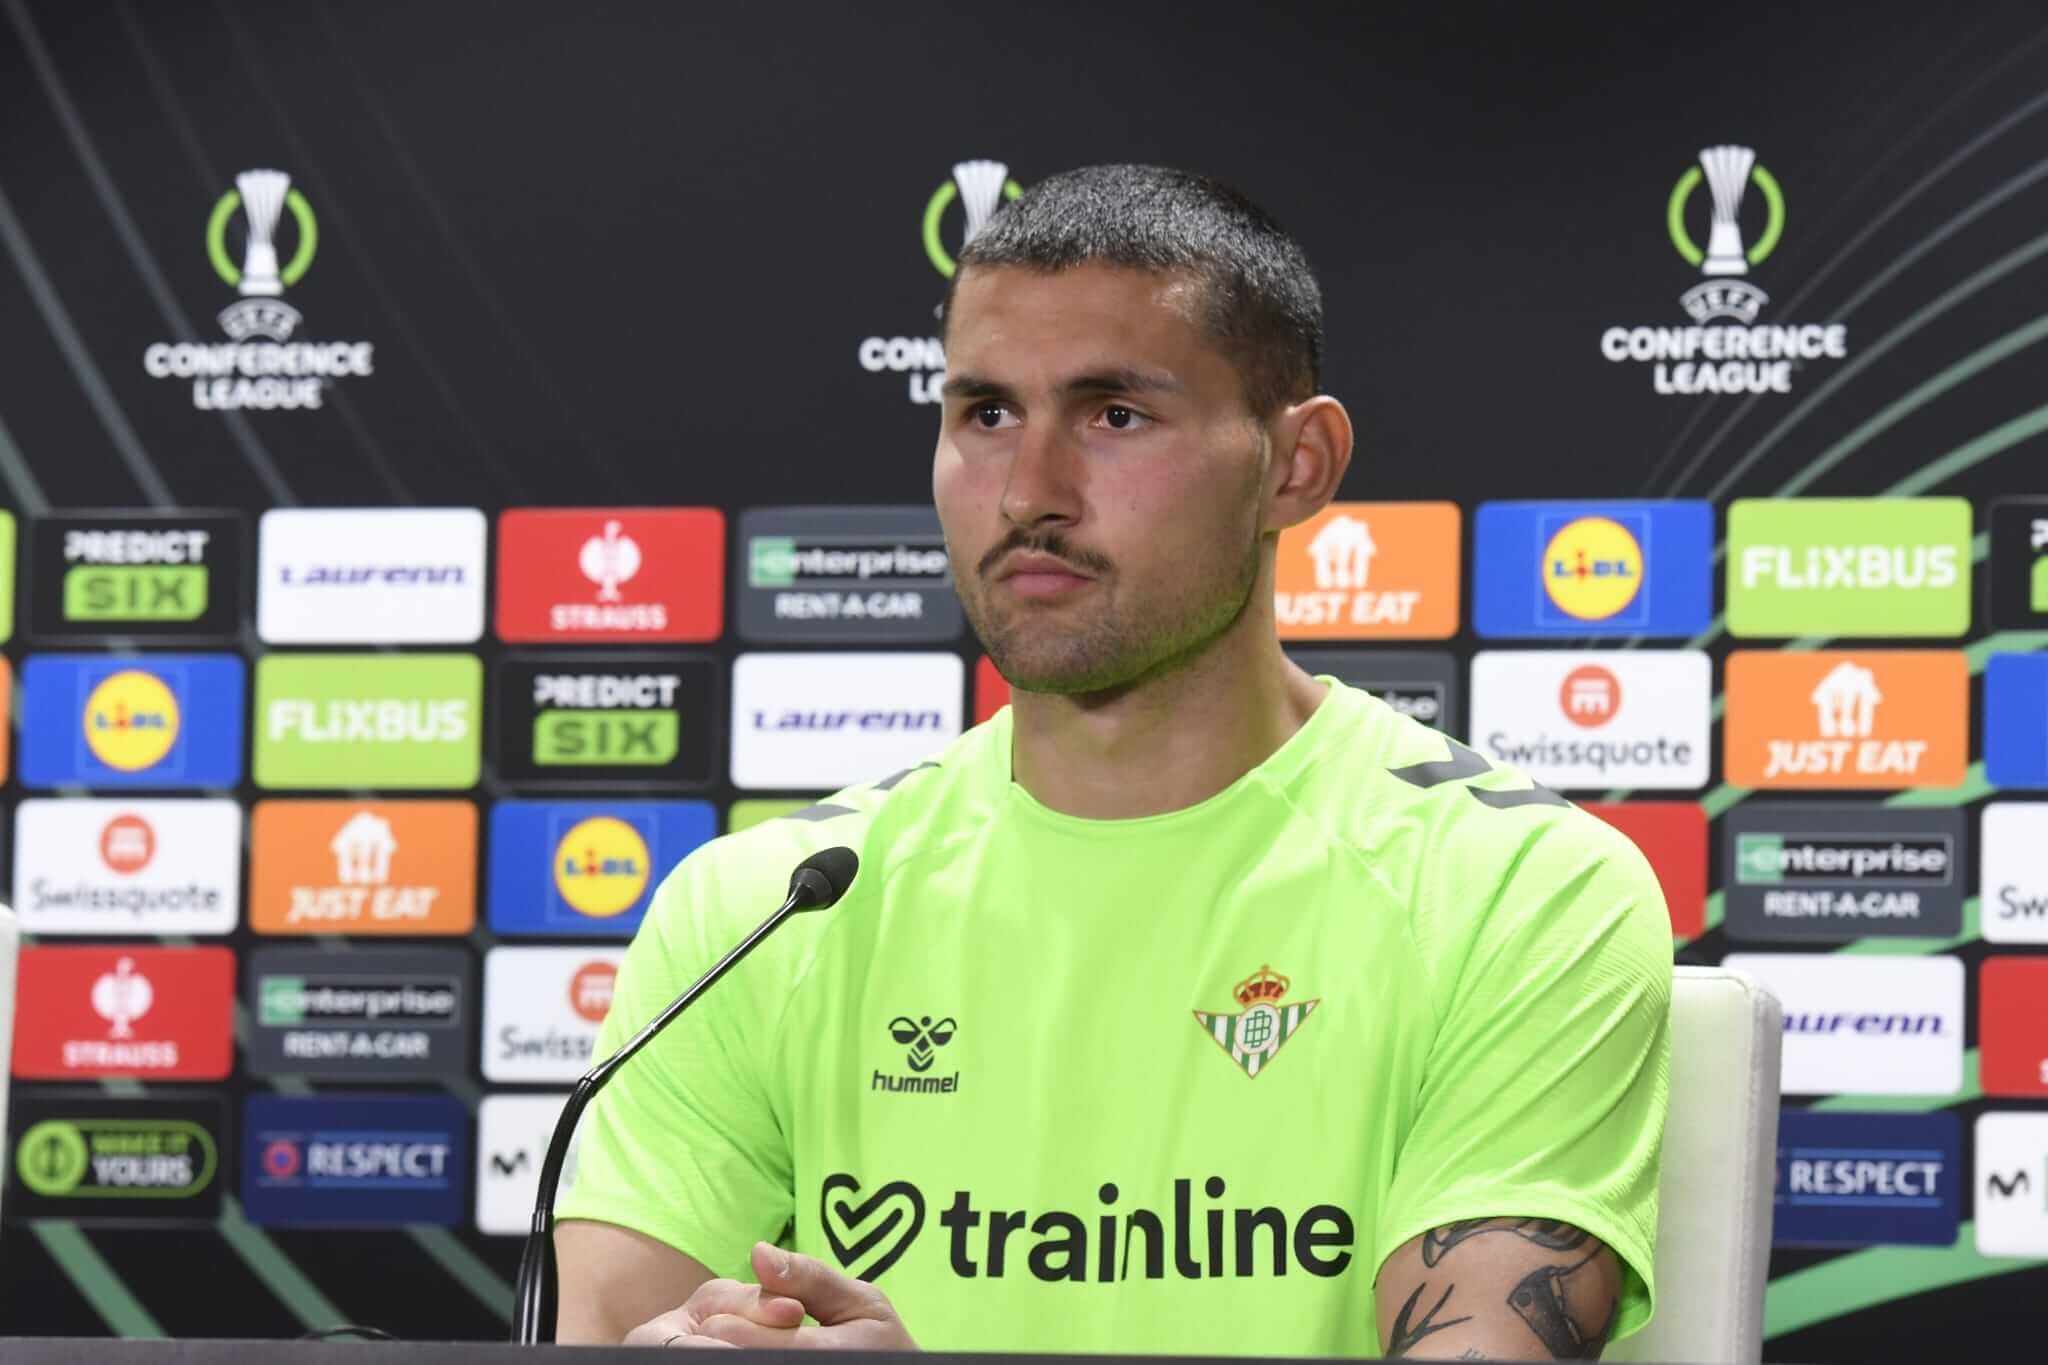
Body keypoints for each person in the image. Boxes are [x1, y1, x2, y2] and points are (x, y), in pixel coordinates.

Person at [555, 164, 1672, 1359]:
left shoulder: (1520, 890)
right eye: (983, 415)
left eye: (1113, 416)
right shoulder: (762, 910)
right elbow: (608, 1338)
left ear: (1295, 465)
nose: (1028, 494)